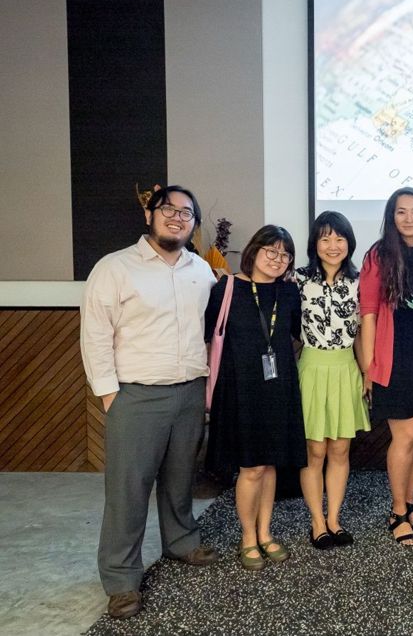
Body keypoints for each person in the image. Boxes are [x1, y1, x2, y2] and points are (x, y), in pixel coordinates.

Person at [81, 185, 219, 619]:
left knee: (180, 479)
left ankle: (181, 542)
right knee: (129, 490)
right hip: (136, 396)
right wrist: (108, 394)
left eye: (187, 213)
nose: (177, 217)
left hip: (190, 391)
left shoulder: (202, 271)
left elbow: (214, 332)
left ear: (194, 224)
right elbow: (96, 333)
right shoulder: (115, 268)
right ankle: (122, 579)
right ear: (149, 215)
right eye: (168, 209)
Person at [205, 225, 307, 570]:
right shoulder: (227, 288)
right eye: (271, 251)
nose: (278, 259)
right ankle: (248, 537)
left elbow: (301, 333)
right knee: (250, 467)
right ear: (254, 250)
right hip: (241, 390)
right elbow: (209, 337)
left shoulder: (289, 293)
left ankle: (266, 532)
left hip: (278, 388)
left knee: (270, 464)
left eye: (285, 254)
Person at [359, 188, 413, 546]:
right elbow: (367, 313)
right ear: (391, 217)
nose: (408, 218)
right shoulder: (378, 255)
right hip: (394, 353)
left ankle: (411, 503)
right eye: (401, 212)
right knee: (404, 434)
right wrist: (368, 365)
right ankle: (396, 511)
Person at [295, 211, 370, 550]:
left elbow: (363, 332)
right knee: (315, 450)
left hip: (345, 368)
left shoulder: (360, 281)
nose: (333, 245)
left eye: (340, 238)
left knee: (340, 448)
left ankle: (335, 519)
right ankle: (317, 521)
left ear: (349, 243)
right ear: (315, 243)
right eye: (325, 238)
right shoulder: (296, 279)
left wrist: (367, 373)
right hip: (311, 367)